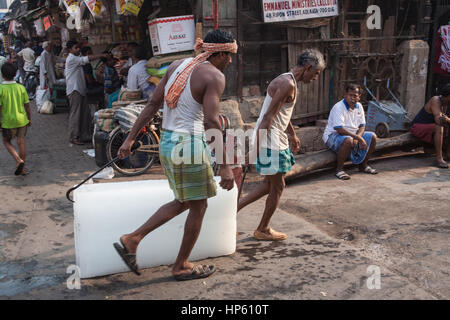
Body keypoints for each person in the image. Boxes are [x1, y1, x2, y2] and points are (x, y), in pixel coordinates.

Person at [113, 29, 237, 280]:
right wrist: (225, 166)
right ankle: (179, 264)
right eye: (229, 55)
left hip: (168, 141)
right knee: (198, 205)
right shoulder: (214, 76)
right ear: (219, 53)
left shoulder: (177, 65)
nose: (230, 61)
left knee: (185, 200)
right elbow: (212, 122)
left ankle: (133, 240)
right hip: (188, 144)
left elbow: (152, 104)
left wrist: (130, 138)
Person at [237, 49, 325, 241]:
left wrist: (292, 134)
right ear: (308, 67)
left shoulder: (288, 80)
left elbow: (281, 113)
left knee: (269, 185)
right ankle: (263, 229)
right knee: (277, 186)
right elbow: (268, 117)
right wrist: (253, 152)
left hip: (274, 138)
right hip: (271, 141)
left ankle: (233, 213)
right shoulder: (287, 84)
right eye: (316, 73)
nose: (316, 78)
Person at [322, 84, 378, 180]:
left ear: (359, 97)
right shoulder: (338, 107)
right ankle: (339, 170)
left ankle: (363, 165)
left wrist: (358, 136)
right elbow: (340, 129)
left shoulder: (359, 106)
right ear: (345, 95)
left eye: (355, 96)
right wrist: (358, 138)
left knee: (373, 136)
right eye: (350, 95)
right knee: (348, 140)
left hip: (353, 135)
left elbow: (362, 126)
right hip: (333, 135)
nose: (352, 98)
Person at [65, 40, 109, 145]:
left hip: (80, 90)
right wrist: (101, 55)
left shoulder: (75, 57)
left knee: (84, 114)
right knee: (76, 114)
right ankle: (74, 136)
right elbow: (87, 58)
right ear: (70, 49)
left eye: (78, 47)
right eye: (76, 48)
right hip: (74, 90)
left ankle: (84, 135)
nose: (78, 49)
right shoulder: (72, 58)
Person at [0, 62, 31, 176]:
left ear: (2, 75)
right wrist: (29, 118)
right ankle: (23, 169)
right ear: (15, 74)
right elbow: (27, 105)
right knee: (21, 142)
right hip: (22, 119)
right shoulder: (21, 87)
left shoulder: (1, 89)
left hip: (8, 121)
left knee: (6, 141)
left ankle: (18, 160)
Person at [410, 84, 450, 168]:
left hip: (430, 128)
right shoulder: (435, 100)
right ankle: (439, 159)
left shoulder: (447, 103)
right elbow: (439, 120)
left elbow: (446, 120)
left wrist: (447, 120)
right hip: (418, 127)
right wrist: (446, 120)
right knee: (439, 126)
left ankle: (448, 154)